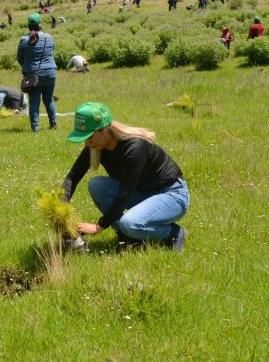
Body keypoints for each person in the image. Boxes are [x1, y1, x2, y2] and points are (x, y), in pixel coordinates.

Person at [61, 102, 189, 251]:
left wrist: (99, 226)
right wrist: (61, 206)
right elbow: (73, 176)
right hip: (143, 193)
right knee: (96, 185)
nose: (87, 142)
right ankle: (129, 237)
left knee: (130, 223)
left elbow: (125, 194)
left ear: (105, 129)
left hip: (172, 195)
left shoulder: (134, 148)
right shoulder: (94, 146)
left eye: (89, 136)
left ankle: (175, 233)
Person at [16, 13, 57, 132]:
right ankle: (53, 124)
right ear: (40, 25)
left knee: (34, 101)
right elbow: (51, 54)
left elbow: (19, 58)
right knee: (48, 99)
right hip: (50, 73)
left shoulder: (24, 40)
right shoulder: (49, 37)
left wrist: (28, 67)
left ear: (28, 26)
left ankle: (35, 128)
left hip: (32, 75)